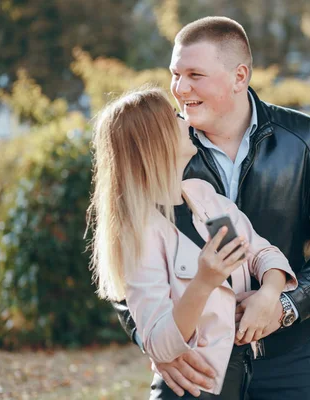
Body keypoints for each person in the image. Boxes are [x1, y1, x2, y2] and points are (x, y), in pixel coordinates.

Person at [114, 16, 310, 400]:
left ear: (239, 76)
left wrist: (281, 304)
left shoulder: (305, 138)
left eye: (195, 74)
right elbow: (120, 267)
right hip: (195, 364)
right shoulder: (158, 150)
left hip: (292, 355)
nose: (180, 89)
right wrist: (157, 344)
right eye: (175, 74)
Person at [87, 87, 298, 399]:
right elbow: (159, 343)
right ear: (154, 141)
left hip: (241, 381)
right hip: (190, 392)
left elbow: (263, 254)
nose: (186, 121)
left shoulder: (205, 198)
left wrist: (269, 294)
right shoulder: (139, 233)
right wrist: (203, 282)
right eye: (174, 117)